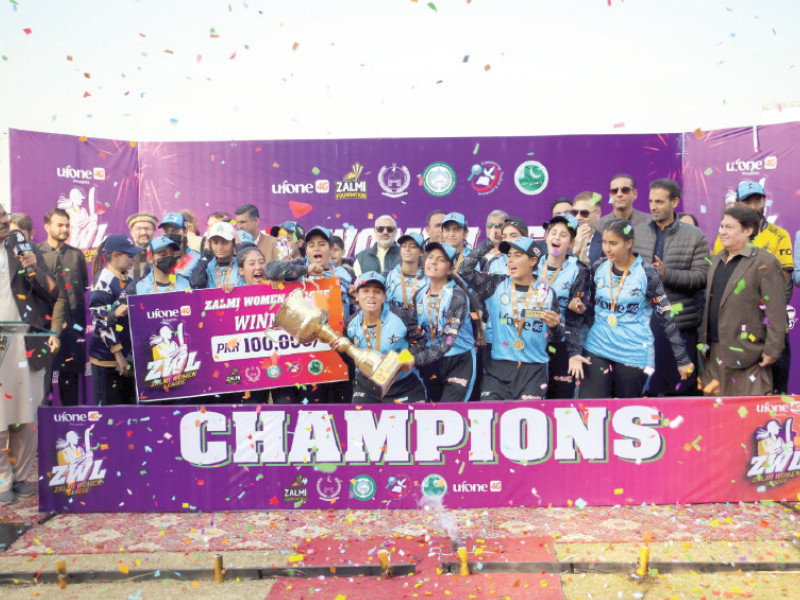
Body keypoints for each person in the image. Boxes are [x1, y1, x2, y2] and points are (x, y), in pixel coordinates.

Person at [568, 219, 693, 398]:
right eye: (604, 242)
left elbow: (666, 317)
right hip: (597, 347)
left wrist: (682, 359)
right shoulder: (598, 267)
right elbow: (591, 307)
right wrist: (581, 307)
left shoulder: (647, 273)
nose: (607, 249)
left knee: (626, 410)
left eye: (613, 243)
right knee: (591, 407)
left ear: (629, 243)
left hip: (632, 352)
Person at [0, 205, 59, 505]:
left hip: (27, 340)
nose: (4, 224)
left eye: (4, 218)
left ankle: (20, 476)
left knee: (27, 416)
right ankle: (1, 481)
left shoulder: (22, 246)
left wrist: (34, 269)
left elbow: (53, 291)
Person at [712, 181, 793, 394]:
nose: (754, 205)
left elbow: (781, 289)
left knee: (772, 393)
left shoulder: (779, 235)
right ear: (738, 202)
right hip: (728, 338)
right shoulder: (722, 244)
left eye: (757, 200)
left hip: (764, 332)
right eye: (747, 201)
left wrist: (767, 334)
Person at [459, 236, 562, 400]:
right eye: (509, 256)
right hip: (498, 369)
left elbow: (557, 338)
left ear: (533, 260)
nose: (510, 261)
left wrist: (555, 326)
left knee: (526, 422)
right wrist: (488, 243)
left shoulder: (547, 293)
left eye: (517, 255)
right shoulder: (495, 284)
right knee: (490, 419)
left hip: (533, 371)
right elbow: (464, 271)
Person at [633, 178, 709, 396]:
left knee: (680, 391)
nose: (654, 206)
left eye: (660, 201)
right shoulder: (637, 233)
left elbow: (702, 277)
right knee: (646, 391)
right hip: (644, 328)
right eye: (651, 201)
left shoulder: (694, 236)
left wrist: (667, 275)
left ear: (675, 202)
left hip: (680, 325)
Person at [263, 226, 353, 403]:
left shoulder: (344, 274)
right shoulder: (297, 270)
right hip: (307, 355)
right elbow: (271, 270)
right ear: (306, 250)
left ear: (330, 249)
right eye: (312, 245)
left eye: (322, 244)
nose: (317, 248)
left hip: (337, 353)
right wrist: (305, 271)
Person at [338, 272, 428, 403]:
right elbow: (349, 358)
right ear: (357, 295)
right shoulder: (351, 323)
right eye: (365, 291)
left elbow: (422, 341)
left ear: (384, 296)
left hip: (402, 385)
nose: (371, 296)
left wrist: (402, 359)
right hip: (367, 386)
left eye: (377, 292)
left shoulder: (401, 316)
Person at [38, 208, 89, 406]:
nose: (64, 229)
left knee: (71, 386)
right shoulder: (37, 254)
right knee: (43, 387)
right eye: (59, 225)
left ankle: (72, 426)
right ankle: (42, 433)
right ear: (47, 226)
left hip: (73, 330)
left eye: (67, 225)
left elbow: (83, 286)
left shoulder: (77, 255)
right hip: (44, 329)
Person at [537, 214, 591, 399]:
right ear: (546, 236)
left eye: (563, 235)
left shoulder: (579, 271)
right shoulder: (531, 264)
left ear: (571, 242)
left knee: (561, 400)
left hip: (560, 344)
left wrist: (573, 352)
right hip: (531, 343)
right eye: (553, 233)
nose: (557, 238)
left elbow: (575, 320)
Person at [88, 234, 143, 406]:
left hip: (126, 360)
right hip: (108, 360)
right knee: (109, 413)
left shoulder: (128, 279)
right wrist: (118, 354)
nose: (133, 258)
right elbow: (100, 322)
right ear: (116, 255)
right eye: (129, 255)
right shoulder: (103, 282)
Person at [190, 221, 242, 291]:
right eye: (215, 242)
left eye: (225, 242)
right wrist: (205, 255)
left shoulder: (240, 263)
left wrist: (239, 247)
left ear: (233, 242)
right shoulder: (207, 265)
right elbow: (195, 283)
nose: (220, 247)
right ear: (209, 243)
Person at [385, 232, 426, 310]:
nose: (407, 249)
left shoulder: (428, 279)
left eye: (413, 246)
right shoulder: (388, 275)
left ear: (421, 252)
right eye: (404, 246)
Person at [158, 211, 201, 279]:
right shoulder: (158, 258)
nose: (170, 234)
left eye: (175, 230)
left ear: (185, 230)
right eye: (166, 231)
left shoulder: (197, 258)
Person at [571, 191, 603, 266]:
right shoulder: (562, 240)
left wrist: (586, 264)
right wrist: (574, 252)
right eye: (575, 212)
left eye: (584, 213)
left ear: (597, 214)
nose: (578, 217)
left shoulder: (605, 243)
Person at [126, 212, 158, 279]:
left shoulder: (162, 255)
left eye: (148, 228)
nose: (143, 232)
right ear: (131, 232)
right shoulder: (124, 258)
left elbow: (173, 280)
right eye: (138, 229)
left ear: (154, 231)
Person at [479, 210, 509, 274]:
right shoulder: (478, 254)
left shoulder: (513, 254)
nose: (493, 230)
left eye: (498, 226)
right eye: (489, 226)